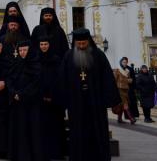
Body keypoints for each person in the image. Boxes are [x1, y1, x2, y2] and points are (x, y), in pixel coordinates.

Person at [62, 28, 121, 161]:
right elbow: (62, 80)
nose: (82, 46)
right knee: (78, 131)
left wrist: (113, 101)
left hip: (96, 101)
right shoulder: (68, 57)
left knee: (97, 130)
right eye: (79, 44)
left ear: (88, 41)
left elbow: (107, 78)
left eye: (84, 43)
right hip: (76, 102)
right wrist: (63, 100)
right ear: (75, 43)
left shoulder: (98, 55)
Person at [6, 40, 44, 161]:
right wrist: (13, 92)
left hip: (31, 103)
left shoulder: (36, 65)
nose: (22, 52)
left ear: (30, 50)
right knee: (18, 130)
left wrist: (21, 94)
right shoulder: (15, 63)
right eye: (20, 50)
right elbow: (9, 80)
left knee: (31, 130)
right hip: (17, 104)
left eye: (25, 50)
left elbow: (36, 84)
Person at [38, 35, 67, 159]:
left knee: (56, 127)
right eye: (41, 44)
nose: (43, 46)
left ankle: (57, 152)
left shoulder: (56, 59)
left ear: (49, 45)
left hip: (55, 101)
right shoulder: (36, 59)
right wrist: (42, 95)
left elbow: (59, 79)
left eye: (45, 44)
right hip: (40, 100)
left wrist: (51, 95)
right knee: (42, 128)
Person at [113, 57, 137, 124]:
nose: (125, 63)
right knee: (125, 104)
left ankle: (119, 119)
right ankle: (131, 119)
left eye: (126, 62)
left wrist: (130, 80)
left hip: (126, 89)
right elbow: (114, 80)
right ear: (121, 62)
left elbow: (129, 80)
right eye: (123, 62)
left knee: (121, 104)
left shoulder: (127, 71)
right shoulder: (117, 70)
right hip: (119, 89)